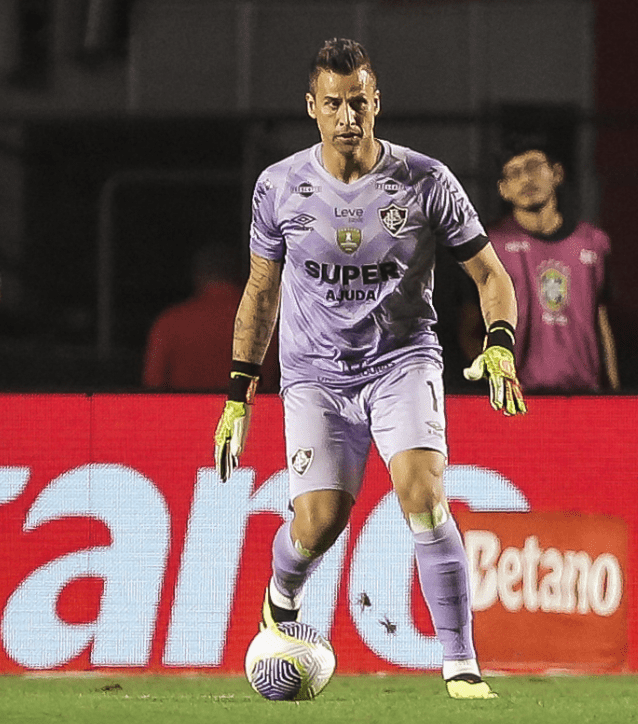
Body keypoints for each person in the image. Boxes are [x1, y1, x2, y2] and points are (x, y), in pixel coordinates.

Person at [211, 38, 525, 699]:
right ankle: (281, 593)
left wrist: (499, 341)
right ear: (312, 108)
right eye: (334, 104)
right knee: (320, 521)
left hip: (402, 363)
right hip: (315, 376)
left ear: (376, 102)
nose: (348, 116)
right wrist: (239, 396)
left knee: (423, 492)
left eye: (359, 102)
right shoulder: (279, 186)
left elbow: (491, 275)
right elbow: (260, 292)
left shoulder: (426, 181)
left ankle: (461, 666)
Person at [460, 136, 619, 392]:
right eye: (514, 173)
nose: (526, 179)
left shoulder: (593, 242)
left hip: (585, 393)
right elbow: (468, 329)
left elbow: (601, 322)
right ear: (503, 189)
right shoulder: (488, 246)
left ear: (557, 173)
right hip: (520, 396)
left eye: (534, 167)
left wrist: (613, 389)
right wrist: (495, 380)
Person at [142, 242, 279, 391]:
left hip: (185, 412)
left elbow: (152, 386)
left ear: (198, 275)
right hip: (254, 412)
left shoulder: (170, 323)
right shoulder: (268, 322)